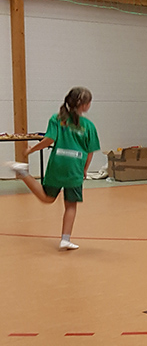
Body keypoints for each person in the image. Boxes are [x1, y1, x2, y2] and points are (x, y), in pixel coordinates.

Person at [6, 87, 100, 251]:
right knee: (71, 205)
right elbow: (90, 152)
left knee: (47, 197)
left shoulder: (57, 119)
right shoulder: (89, 126)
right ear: (85, 105)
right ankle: (65, 239)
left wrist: (31, 150)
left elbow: (49, 139)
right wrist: (85, 170)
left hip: (57, 164)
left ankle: (24, 173)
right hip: (75, 167)